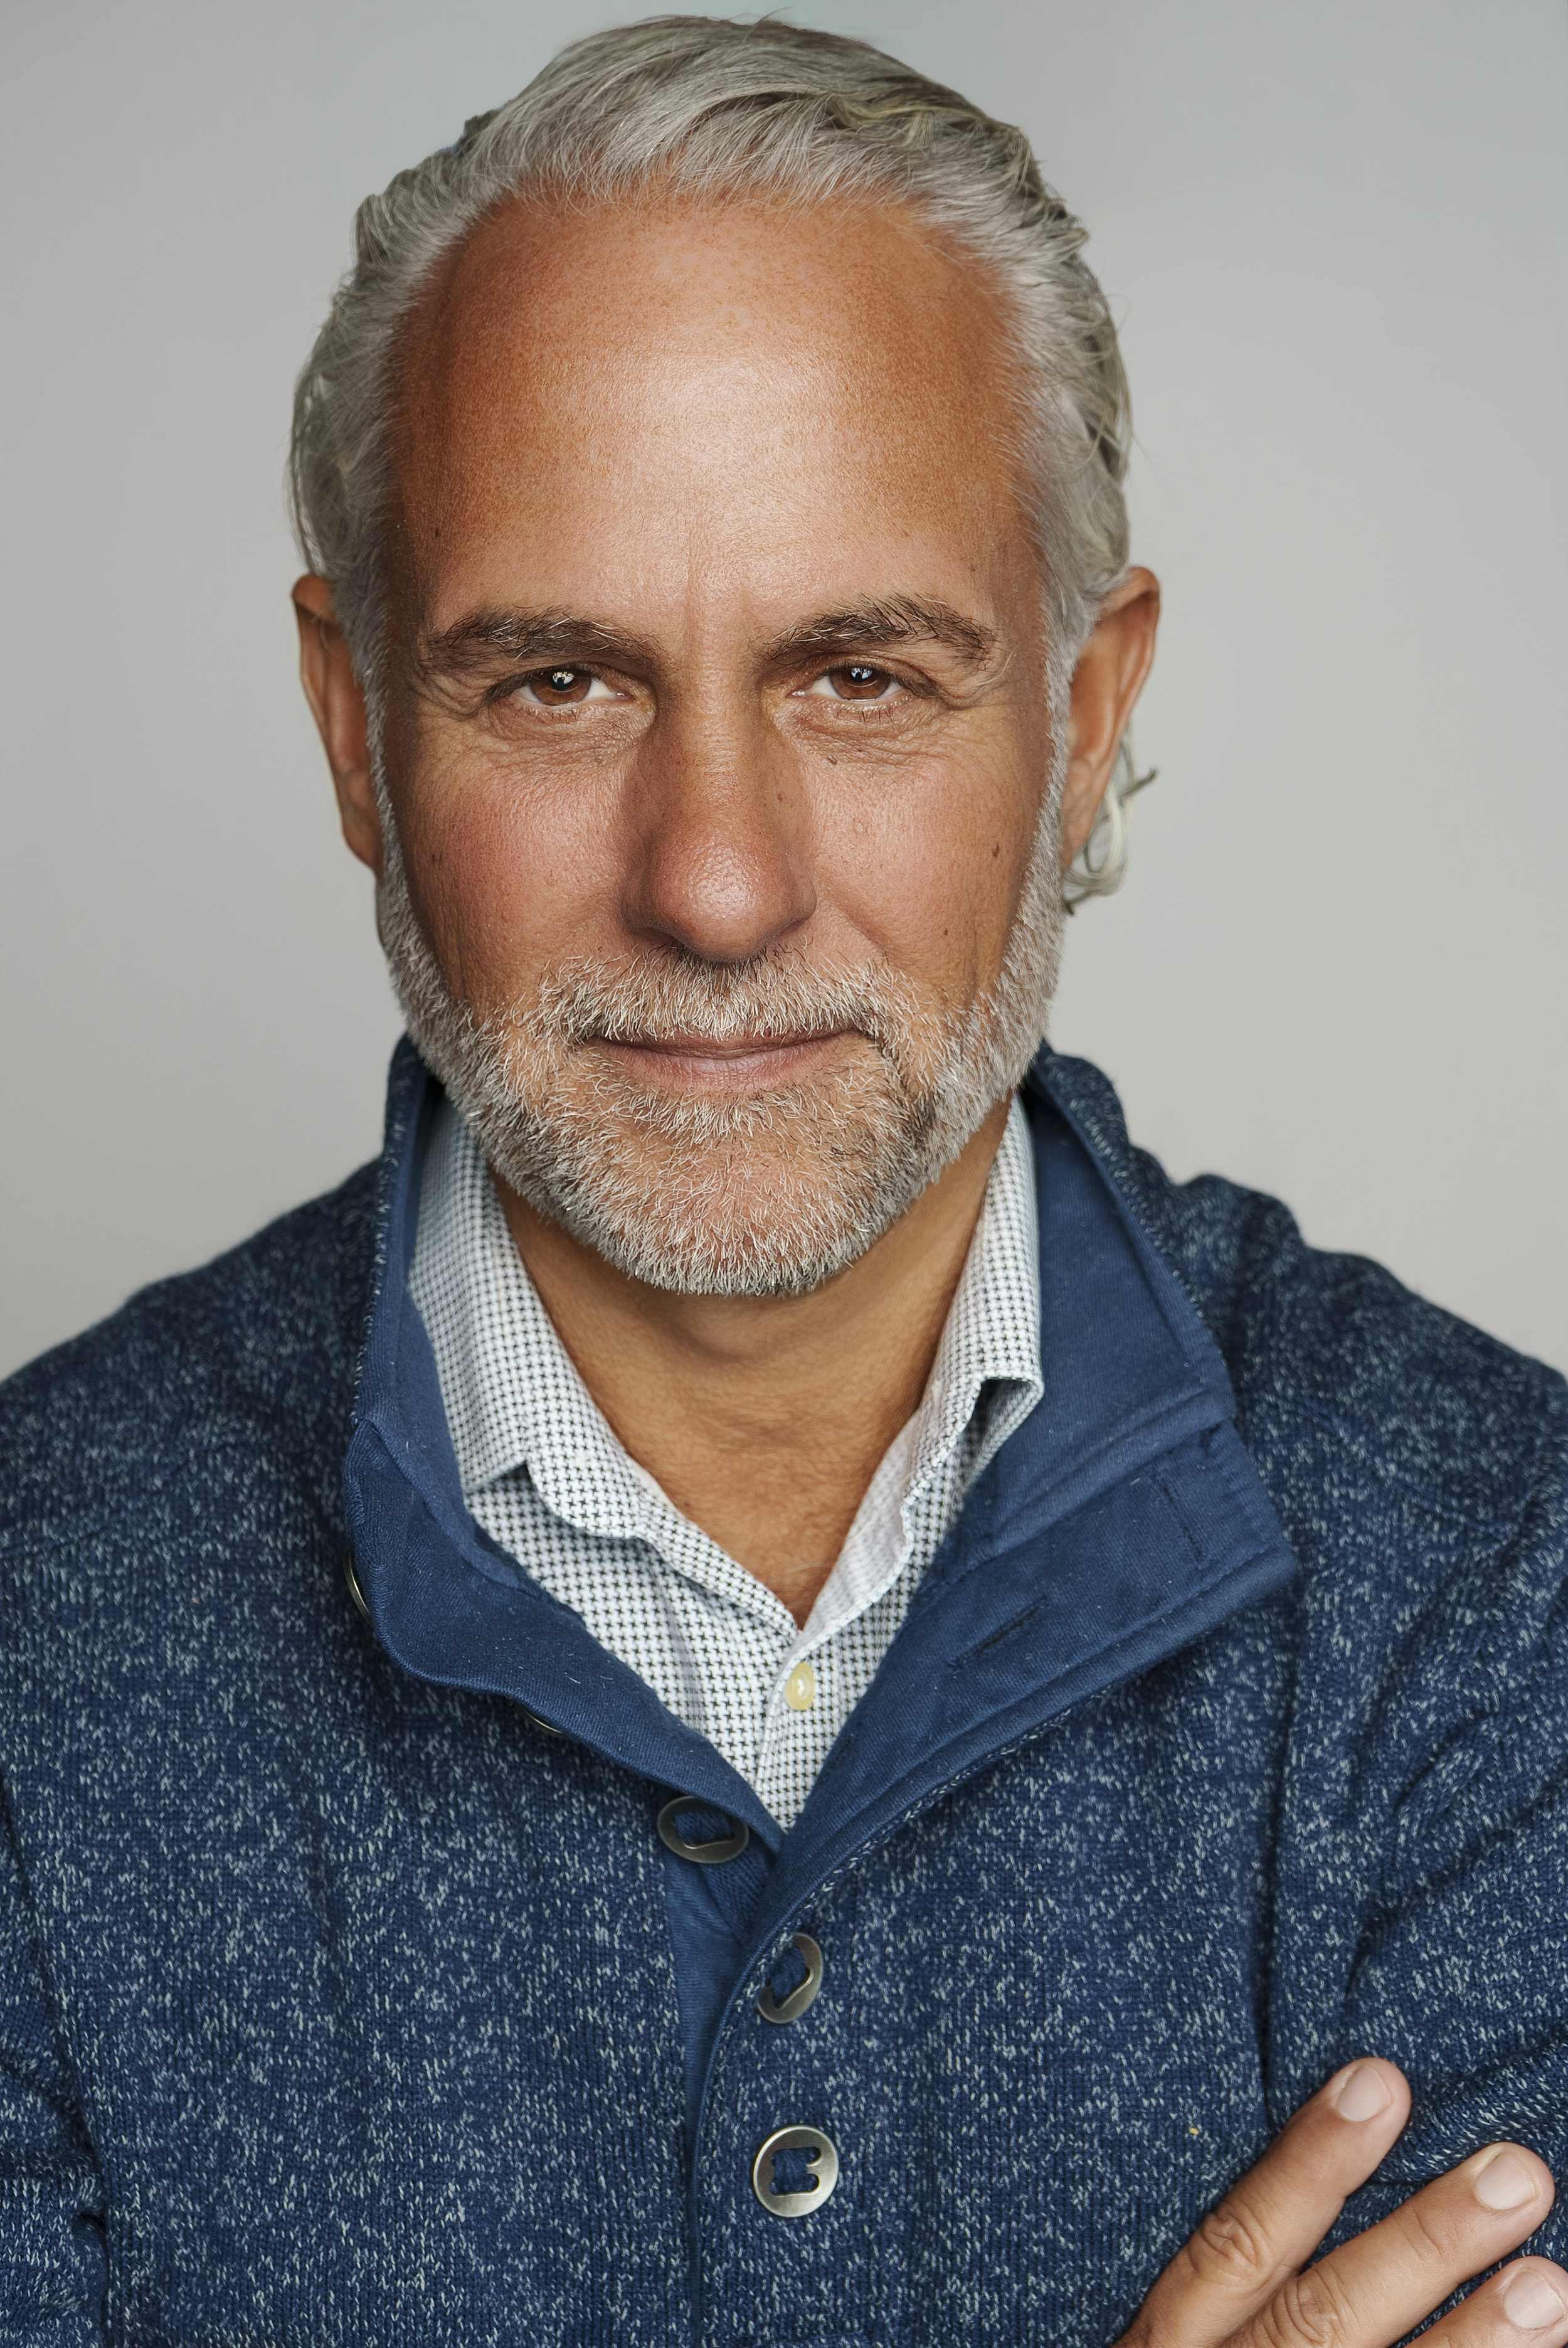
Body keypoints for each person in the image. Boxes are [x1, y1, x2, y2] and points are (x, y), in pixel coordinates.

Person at [1, 16, 1564, 2343]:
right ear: (354, 729)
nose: (715, 883)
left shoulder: (1505, 1586)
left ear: (1085, 717)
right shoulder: (32, 1644)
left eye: (860, 674)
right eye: (555, 682)